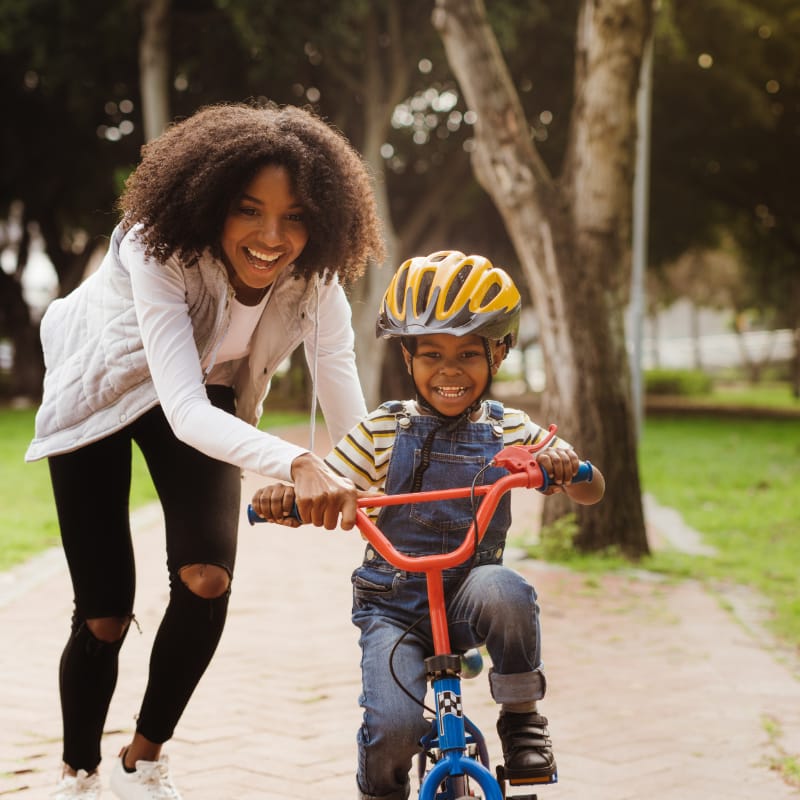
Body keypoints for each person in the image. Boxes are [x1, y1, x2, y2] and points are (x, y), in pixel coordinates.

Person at [25, 101, 385, 800]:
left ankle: (142, 759)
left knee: (207, 577)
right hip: (100, 394)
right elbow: (182, 408)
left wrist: (377, 476)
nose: (272, 236)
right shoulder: (153, 246)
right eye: (249, 211)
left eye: (296, 217)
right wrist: (298, 462)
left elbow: (346, 402)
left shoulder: (318, 281)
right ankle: (77, 773)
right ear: (212, 203)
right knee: (103, 610)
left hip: (203, 394)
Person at [251, 250, 606, 800]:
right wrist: (292, 498)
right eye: (432, 353)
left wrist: (566, 468)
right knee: (392, 728)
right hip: (393, 606)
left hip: (471, 597)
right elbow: (329, 483)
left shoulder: (511, 427)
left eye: (468, 353)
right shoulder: (383, 428)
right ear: (409, 356)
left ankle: (521, 718)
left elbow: (591, 487)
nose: (449, 369)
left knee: (508, 590)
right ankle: (382, 791)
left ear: (500, 353)